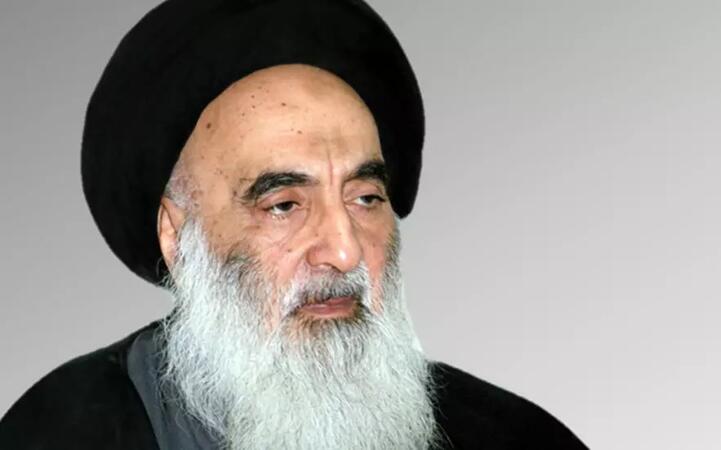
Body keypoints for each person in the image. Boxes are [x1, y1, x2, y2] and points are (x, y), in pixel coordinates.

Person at [0, 0, 588, 449]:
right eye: (284, 205)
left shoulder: (514, 438)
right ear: (177, 238)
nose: (344, 251)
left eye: (365, 198)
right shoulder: (56, 433)